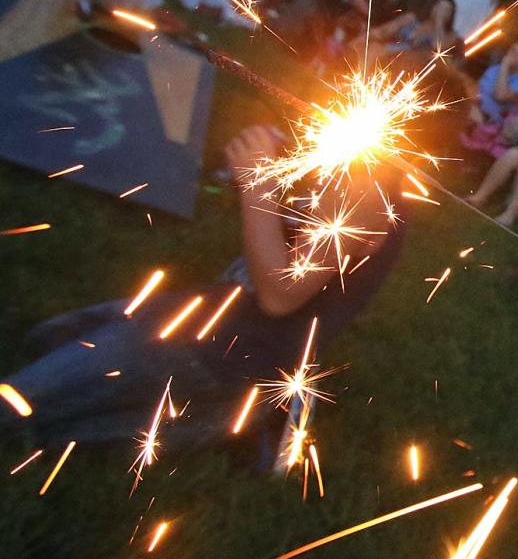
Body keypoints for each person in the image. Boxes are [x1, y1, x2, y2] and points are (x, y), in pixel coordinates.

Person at [0, 126, 408, 450]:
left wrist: (258, 182)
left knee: (22, 408)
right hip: (207, 314)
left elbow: (280, 296)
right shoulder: (349, 164)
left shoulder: (364, 192)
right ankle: (214, 416)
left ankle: (249, 414)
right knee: (48, 337)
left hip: (227, 356)